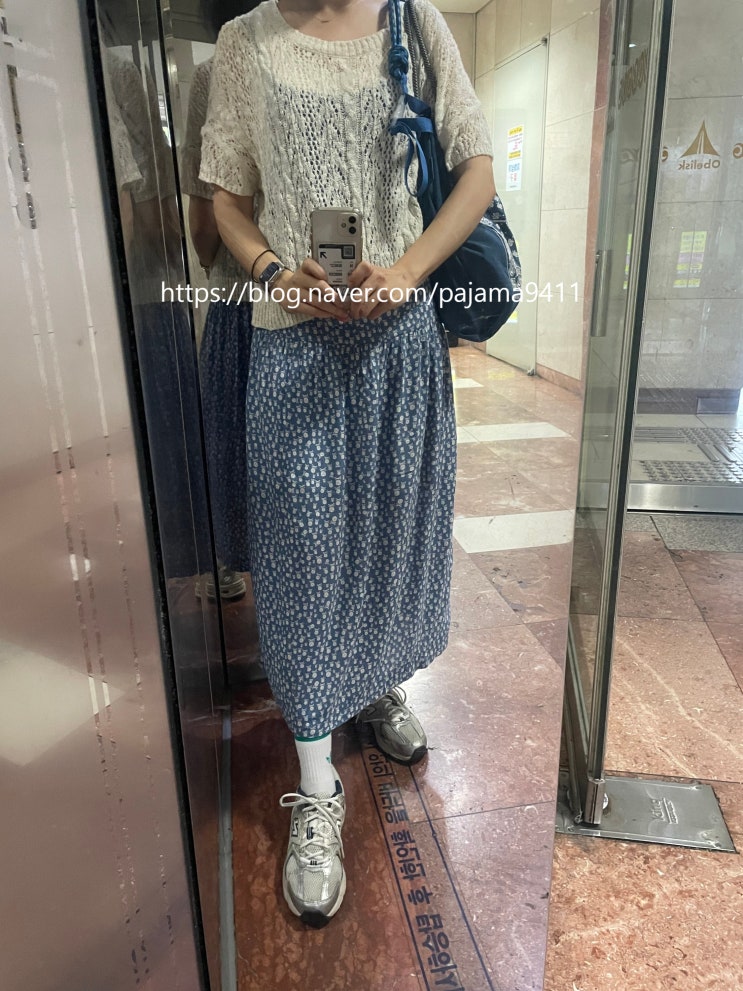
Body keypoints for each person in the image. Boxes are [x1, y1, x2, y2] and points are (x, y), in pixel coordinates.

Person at [199, 0, 494, 927]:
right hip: (292, 342)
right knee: (299, 558)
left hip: (397, 342)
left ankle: (370, 680)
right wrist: (271, 270)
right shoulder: (244, 42)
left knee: (385, 534)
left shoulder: (415, 21)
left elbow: (476, 170)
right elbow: (225, 198)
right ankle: (316, 785)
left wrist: (405, 271)